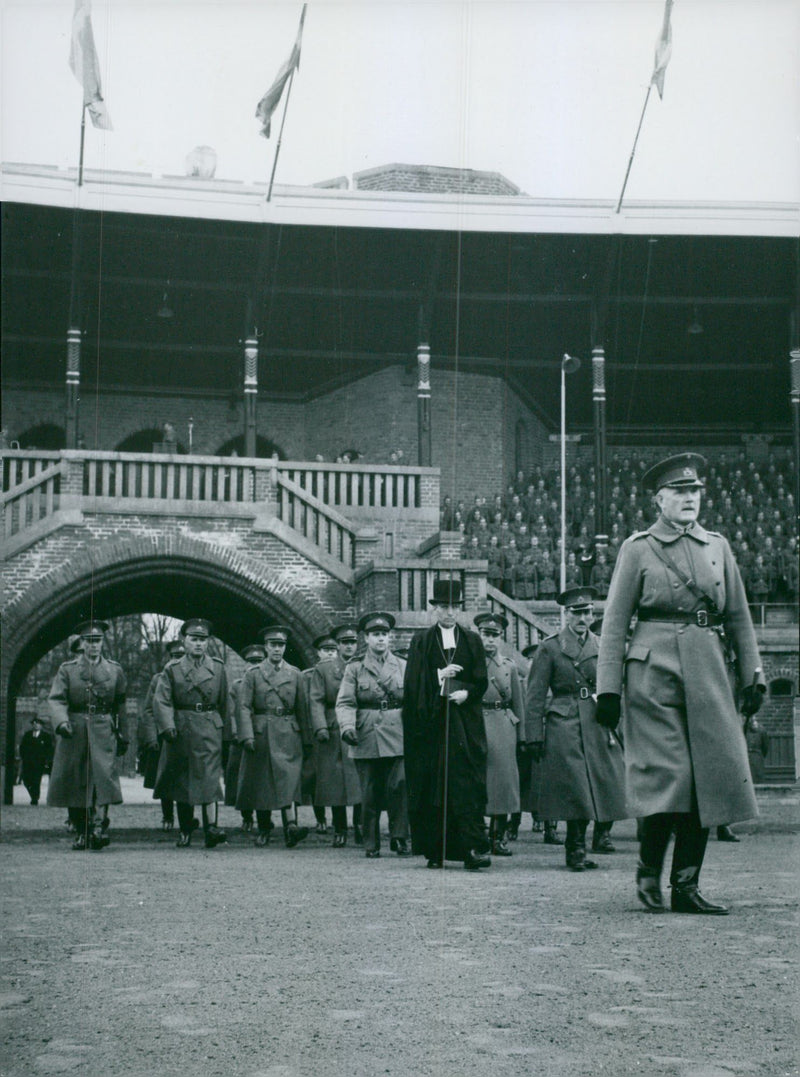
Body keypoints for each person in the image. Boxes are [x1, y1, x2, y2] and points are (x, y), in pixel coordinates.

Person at [596, 453, 765, 915]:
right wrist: (607, 688)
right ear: (659, 500)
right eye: (680, 492)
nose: (689, 499)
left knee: (710, 777)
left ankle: (686, 886)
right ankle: (649, 871)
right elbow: (614, 623)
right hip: (653, 672)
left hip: (710, 669)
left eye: (695, 492)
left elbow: (739, 617)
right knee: (672, 779)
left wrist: (753, 672)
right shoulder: (639, 547)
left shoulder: (718, 545)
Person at [524, 587, 626, 872]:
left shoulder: (602, 645)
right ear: (566, 615)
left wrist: (613, 712)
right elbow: (534, 694)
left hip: (595, 721)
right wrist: (533, 735)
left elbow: (613, 683)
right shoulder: (550, 647)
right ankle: (576, 847)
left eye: (588, 613)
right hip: (564, 721)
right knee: (575, 787)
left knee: (600, 783)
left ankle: (594, 839)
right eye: (577, 613)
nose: (583, 618)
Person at [402, 578, 491, 871]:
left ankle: (472, 849)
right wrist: (440, 676)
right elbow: (414, 684)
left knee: (465, 785)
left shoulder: (472, 640)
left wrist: (466, 692)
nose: (449, 612)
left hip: (464, 726)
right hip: (433, 727)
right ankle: (435, 850)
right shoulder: (422, 641)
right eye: (443, 607)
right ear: (435, 609)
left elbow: (481, 681)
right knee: (433, 786)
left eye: (454, 606)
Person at [46, 620, 128, 850]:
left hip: (103, 726)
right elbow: (57, 699)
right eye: (89, 641)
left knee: (103, 777)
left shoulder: (114, 670)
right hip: (75, 727)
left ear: (103, 642)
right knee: (76, 779)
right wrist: (61, 722)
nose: (93, 646)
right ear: (81, 643)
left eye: (97, 641)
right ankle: (82, 830)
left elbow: (120, 705)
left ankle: (99, 828)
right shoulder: (68, 670)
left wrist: (124, 733)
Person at [336, 613, 410, 859]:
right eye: (375, 635)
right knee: (369, 790)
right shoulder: (355, 667)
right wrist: (347, 727)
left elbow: (411, 700)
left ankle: (399, 837)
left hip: (397, 731)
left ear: (390, 637)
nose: (381, 639)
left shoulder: (402, 665)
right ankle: (371, 841)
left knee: (399, 785)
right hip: (366, 733)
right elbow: (345, 702)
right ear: (366, 638)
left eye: (384, 635)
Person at [152, 618, 230, 849]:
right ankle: (185, 828)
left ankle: (211, 828)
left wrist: (227, 733)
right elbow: (162, 700)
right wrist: (167, 726)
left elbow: (225, 702)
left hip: (209, 726)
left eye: (202, 640)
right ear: (184, 641)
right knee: (183, 780)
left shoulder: (217, 668)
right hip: (182, 727)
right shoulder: (172, 669)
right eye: (194, 639)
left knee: (209, 777)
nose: (198, 644)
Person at [236, 625, 310, 850]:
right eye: (273, 645)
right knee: (263, 783)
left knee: (289, 780)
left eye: (281, 645)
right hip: (262, 732)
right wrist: (247, 734)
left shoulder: (295, 674)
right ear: (266, 647)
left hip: (289, 732)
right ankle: (264, 827)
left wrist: (307, 739)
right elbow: (243, 707)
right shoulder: (253, 674)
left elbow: (302, 708)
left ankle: (291, 827)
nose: (277, 649)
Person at [308, 624, 363, 847]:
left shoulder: (363, 666)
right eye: (345, 643)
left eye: (352, 642)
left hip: (359, 724)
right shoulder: (324, 670)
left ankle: (360, 826)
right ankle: (339, 827)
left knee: (360, 778)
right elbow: (316, 699)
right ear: (338, 646)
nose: (349, 647)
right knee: (335, 780)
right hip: (333, 728)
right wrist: (320, 727)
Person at [474, 612, 523, 857]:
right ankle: (479, 833)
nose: (490, 640)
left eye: (495, 636)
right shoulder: (472, 663)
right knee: (479, 780)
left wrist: (522, 736)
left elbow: (518, 704)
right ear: (479, 635)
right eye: (486, 635)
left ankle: (498, 836)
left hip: (503, 725)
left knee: (503, 782)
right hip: (477, 723)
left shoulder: (510, 667)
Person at [138, 639, 186, 831]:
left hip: (185, 733)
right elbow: (149, 710)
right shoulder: (159, 679)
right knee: (165, 777)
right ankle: (167, 816)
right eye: (175, 656)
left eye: (181, 656)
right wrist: (151, 737)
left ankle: (186, 819)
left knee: (184, 777)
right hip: (163, 736)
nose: (178, 660)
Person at [224, 643, 266, 834]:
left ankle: (263, 817)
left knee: (261, 778)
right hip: (241, 738)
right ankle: (246, 816)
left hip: (261, 735)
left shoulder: (266, 682)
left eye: (258, 661)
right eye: (250, 661)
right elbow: (233, 712)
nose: (253, 665)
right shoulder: (237, 686)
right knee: (241, 779)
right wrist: (236, 734)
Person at [18, 716, 53, 806]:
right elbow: (22, 747)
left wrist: (47, 761)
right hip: (28, 762)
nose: (36, 725)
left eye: (38, 724)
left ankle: (35, 797)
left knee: (36, 780)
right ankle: (32, 794)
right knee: (26, 780)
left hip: (39, 762)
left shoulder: (46, 736)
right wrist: (23, 757)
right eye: (34, 724)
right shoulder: (28, 735)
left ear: (41, 726)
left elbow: (49, 749)